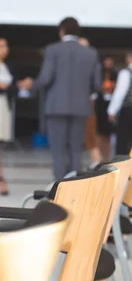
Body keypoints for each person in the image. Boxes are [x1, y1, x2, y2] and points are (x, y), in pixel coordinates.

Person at [18, 17, 101, 180]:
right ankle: (75, 189)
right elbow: (96, 85)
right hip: (80, 108)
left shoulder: (52, 50)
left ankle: (59, 189)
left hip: (56, 107)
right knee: (76, 151)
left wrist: (31, 84)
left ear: (61, 31)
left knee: (58, 151)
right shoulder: (90, 53)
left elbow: (46, 78)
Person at [78, 37, 102, 169]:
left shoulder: (93, 64)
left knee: (89, 132)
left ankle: (96, 161)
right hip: (74, 102)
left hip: (87, 101)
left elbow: (96, 85)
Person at [0, 38, 16, 195]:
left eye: (5, 46)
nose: (4, 49)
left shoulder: (7, 66)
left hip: (4, 106)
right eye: (1, 46)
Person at [95, 56, 117, 161]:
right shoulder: (99, 74)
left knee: (108, 133)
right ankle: (99, 156)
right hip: (100, 105)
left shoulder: (115, 74)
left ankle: (107, 157)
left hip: (110, 105)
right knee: (99, 132)